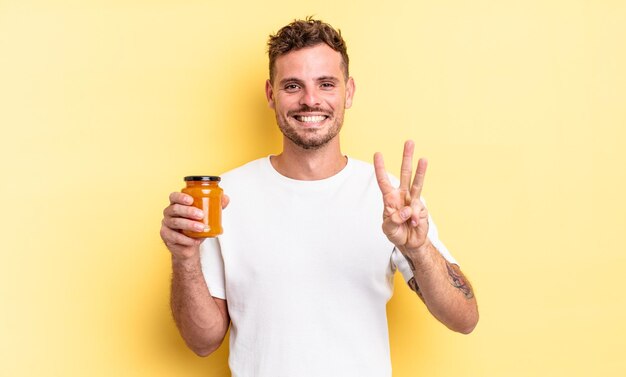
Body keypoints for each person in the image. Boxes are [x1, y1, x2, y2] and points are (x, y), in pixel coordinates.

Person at [160, 17, 478, 377]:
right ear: (270, 94)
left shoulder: (388, 197)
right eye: (292, 86)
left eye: (326, 84)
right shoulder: (225, 198)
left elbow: (464, 319)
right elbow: (203, 342)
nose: (310, 101)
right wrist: (184, 257)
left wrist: (418, 249)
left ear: (349, 91)